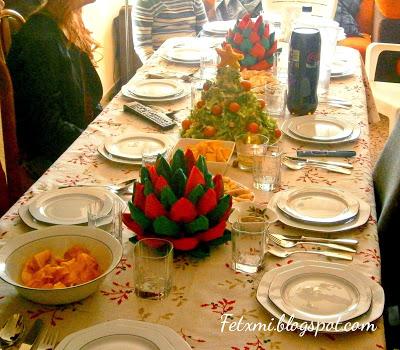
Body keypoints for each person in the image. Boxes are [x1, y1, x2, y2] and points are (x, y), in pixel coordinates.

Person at [7, 0, 103, 180]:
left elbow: (89, 99)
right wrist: (97, 143)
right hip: (51, 160)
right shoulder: (40, 41)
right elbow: (47, 130)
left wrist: (104, 130)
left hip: (70, 141)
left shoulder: (68, 22)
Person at [132, 0, 208, 64]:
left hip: (195, 59)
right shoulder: (145, 3)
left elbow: (205, 34)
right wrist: (155, 67)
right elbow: (143, 46)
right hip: (162, 63)